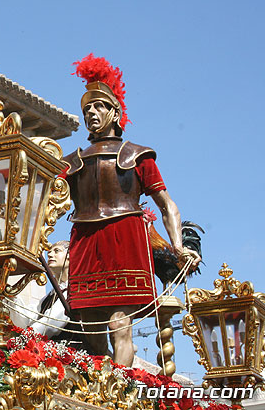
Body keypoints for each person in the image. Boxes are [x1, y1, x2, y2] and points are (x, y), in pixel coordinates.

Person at [61, 54, 201, 366]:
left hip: (124, 237)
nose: (92, 114)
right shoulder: (72, 162)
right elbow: (48, 200)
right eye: (87, 109)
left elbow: (167, 205)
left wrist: (177, 248)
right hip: (84, 239)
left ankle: (120, 391)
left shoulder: (137, 156)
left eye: (98, 107)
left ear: (115, 112)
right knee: (88, 326)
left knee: (118, 322)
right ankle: (106, 382)